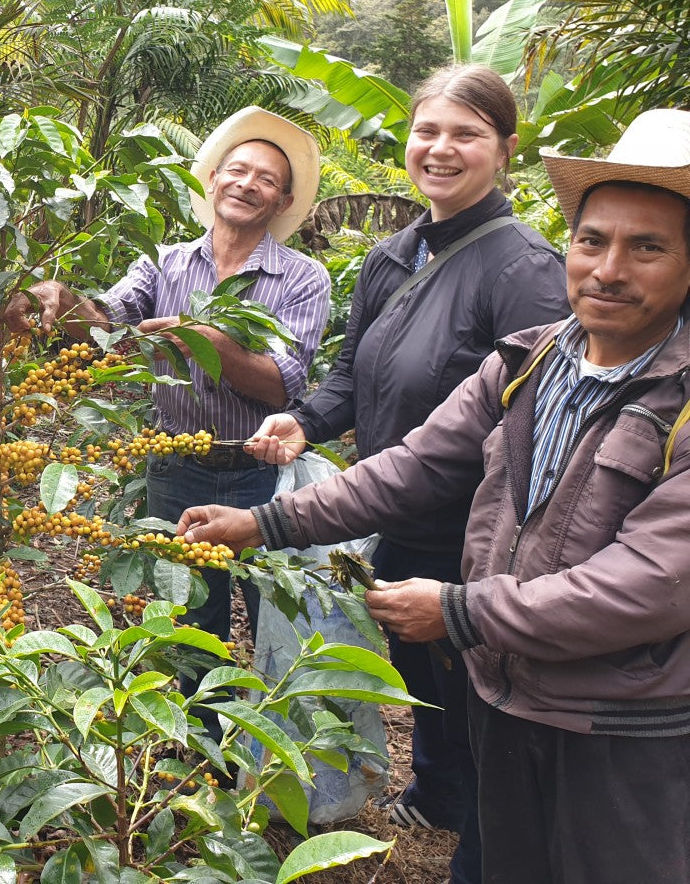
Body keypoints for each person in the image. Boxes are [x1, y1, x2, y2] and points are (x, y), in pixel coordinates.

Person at [180, 107, 690, 884]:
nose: (608, 269)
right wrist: (263, 521)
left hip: (624, 722)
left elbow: (654, 584)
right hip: (506, 692)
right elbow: (415, 465)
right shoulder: (531, 362)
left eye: (646, 247)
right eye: (593, 241)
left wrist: (459, 609)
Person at [241, 65, 567, 883]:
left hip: (468, 532)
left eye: (466, 134)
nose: (441, 149)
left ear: (506, 151)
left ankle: (480, 834)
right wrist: (305, 419)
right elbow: (354, 370)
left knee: (474, 685)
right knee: (420, 668)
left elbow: (523, 428)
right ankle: (437, 791)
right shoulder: (394, 255)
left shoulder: (524, 269)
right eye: (429, 131)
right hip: (391, 512)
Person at [3, 106, 331, 708]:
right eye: (237, 170)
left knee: (273, 624)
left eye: (265, 179)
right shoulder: (166, 262)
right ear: (212, 182)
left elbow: (281, 385)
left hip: (262, 474)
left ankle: (266, 767)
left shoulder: (302, 278)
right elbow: (107, 319)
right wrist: (56, 297)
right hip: (176, 470)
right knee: (189, 625)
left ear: (282, 202)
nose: (246, 183)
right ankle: (200, 758)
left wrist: (207, 341)